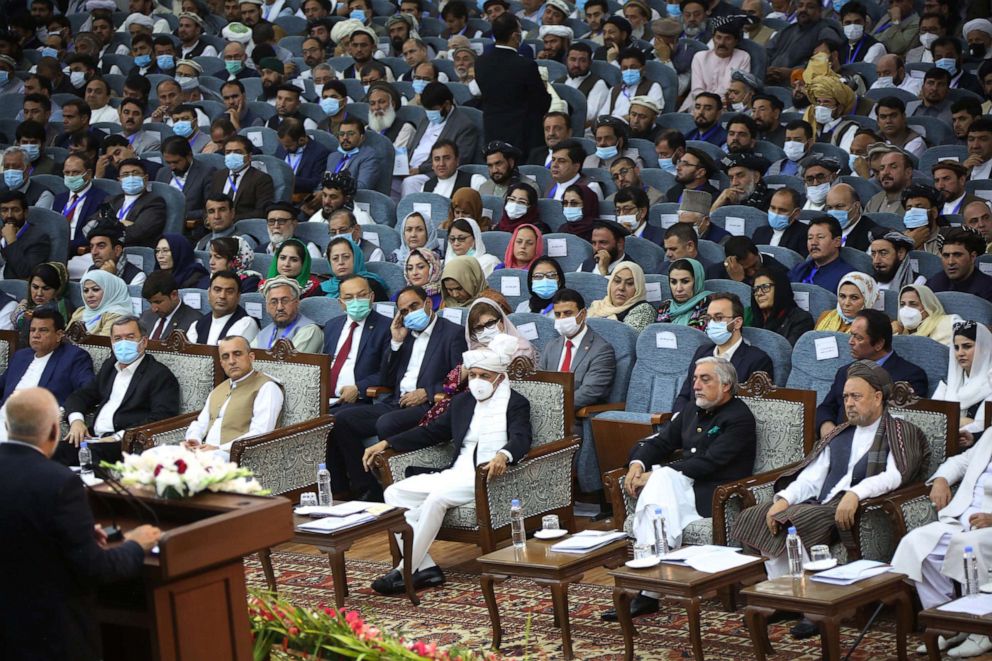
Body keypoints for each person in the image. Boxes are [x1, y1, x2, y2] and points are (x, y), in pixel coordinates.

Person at [733, 360, 929, 640]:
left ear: (878, 397)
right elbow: (812, 477)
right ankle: (785, 596)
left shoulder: (900, 430)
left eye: (856, 397)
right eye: (846, 397)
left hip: (858, 508)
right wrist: (784, 498)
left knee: (794, 521)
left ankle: (813, 610)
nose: (849, 403)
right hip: (823, 503)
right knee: (759, 515)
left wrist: (855, 493)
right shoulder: (840, 432)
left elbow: (896, 476)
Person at [0, 387, 160, 661]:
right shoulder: (60, 483)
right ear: (54, 431)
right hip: (47, 637)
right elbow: (94, 568)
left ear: (7, 425)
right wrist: (135, 545)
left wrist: (78, 536)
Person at [367, 334, 532, 594]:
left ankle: (404, 570)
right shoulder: (462, 402)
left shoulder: (516, 402)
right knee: (393, 493)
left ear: (499, 377)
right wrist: (387, 443)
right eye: (473, 374)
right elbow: (431, 432)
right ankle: (427, 567)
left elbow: (521, 438)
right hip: (456, 472)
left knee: (436, 499)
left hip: (486, 475)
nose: (477, 381)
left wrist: (503, 454)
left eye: (484, 376)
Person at [601, 357, 756, 621]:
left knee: (661, 481)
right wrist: (637, 465)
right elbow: (661, 442)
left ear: (726, 385)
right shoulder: (690, 410)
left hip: (714, 492)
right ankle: (654, 580)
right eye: (695, 379)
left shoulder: (739, 417)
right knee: (661, 484)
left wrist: (657, 474)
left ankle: (649, 587)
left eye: (705, 379)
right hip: (682, 485)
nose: (696, 385)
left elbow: (710, 463)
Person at [326, 285, 467, 500]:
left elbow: (459, 377)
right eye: (404, 311)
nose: (410, 314)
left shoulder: (452, 333)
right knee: (340, 419)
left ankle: (391, 482)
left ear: (428, 304)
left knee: (387, 423)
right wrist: (395, 343)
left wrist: (428, 393)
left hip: (429, 405)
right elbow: (386, 379)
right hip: (396, 401)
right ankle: (365, 487)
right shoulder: (405, 334)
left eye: (414, 306)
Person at [890, 425, 992, 658]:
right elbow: (962, 461)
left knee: (969, 547)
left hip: (988, 526)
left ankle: (982, 630)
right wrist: (942, 479)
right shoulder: (990, 435)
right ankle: (948, 623)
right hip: (964, 518)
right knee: (917, 543)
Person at [60, 315, 182, 466]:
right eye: (117, 338)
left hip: (124, 444)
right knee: (50, 451)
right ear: (111, 343)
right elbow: (81, 395)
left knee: (88, 458)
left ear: (143, 342)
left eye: (130, 337)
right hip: (93, 437)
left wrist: (120, 437)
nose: (123, 343)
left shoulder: (159, 375)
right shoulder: (110, 366)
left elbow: (162, 417)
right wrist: (77, 421)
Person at [815, 309, 929, 437]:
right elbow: (825, 408)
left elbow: (904, 424)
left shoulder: (911, 376)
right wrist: (826, 426)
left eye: (858, 338)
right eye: (851, 335)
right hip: (838, 444)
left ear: (879, 344)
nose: (850, 342)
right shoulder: (844, 372)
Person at [183, 334, 284, 461]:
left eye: (237, 354)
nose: (231, 361)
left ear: (251, 357)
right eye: (225, 357)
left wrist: (218, 448)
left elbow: (261, 433)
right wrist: (194, 440)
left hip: (238, 457)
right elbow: (201, 423)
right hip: (207, 452)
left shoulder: (267, 387)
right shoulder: (219, 389)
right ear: (221, 363)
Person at [538, 287, 615, 430]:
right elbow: (539, 383)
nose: (561, 319)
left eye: (567, 313)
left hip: (574, 420)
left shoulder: (601, 349)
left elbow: (590, 392)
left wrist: (553, 408)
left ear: (583, 314)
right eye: (557, 314)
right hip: (542, 417)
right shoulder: (551, 346)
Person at [475, 14, 551, 155]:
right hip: (522, 136)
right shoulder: (526, 65)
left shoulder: (480, 62)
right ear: (515, 36)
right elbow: (543, 103)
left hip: (492, 131)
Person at [0, 309, 94, 409]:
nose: (35, 335)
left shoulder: (74, 357)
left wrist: (67, 411)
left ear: (59, 335)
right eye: (32, 330)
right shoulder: (21, 356)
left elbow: (88, 390)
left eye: (43, 330)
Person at [322, 274, 392, 407]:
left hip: (356, 400)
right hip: (324, 398)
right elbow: (325, 363)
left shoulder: (386, 327)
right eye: (348, 297)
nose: (355, 301)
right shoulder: (331, 326)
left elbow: (387, 372)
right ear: (341, 303)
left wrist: (358, 388)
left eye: (361, 295)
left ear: (371, 297)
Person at [208, 136, 275, 220]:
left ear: (249, 156)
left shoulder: (261, 179)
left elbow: (261, 211)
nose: (232, 155)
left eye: (238, 152)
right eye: (228, 152)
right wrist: (207, 220)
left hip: (244, 228)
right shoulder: (217, 176)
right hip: (216, 227)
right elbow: (207, 204)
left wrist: (228, 220)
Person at [252, 277, 324, 354]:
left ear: (297, 303)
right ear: (267, 307)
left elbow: (292, 364)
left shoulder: (310, 330)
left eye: (285, 301)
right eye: (274, 302)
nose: (280, 307)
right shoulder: (264, 333)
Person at [187, 270, 261, 345]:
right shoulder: (197, 325)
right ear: (209, 293)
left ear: (238, 296)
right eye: (217, 290)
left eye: (229, 291)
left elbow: (227, 353)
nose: (222, 296)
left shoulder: (247, 323)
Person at [788, 215, 856, 293]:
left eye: (820, 237)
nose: (813, 243)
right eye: (810, 238)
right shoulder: (798, 269)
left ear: (837, 242)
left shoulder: (848, 277)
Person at [751, 268, 814, 346]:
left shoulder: (801, 319)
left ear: (780, 288)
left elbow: (786, 354)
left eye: (765, 287)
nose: (759, 293)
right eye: (756, 289)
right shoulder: (753, 319)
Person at [588, 261, 656, 333]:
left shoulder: (644, 310)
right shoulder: (599, 305)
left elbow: (625, 339)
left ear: (638, 287)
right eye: (617, 281)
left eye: (629, 283)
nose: (621, 288)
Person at [11, 262, 72, 344]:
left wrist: (22, 309)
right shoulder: (27, 305)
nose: (39, 293)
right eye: (35, 287)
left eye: (46, 288)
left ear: (57, 289)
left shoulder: (60, 306)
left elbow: (24, 321)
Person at [927, 228, 992, 302]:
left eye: (957, 255)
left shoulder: (988, 289)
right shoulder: (933, 285)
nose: (950, 262)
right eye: (946, 255)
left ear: (972, 257)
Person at [138, 271, 204, 340]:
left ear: (174, 295)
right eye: (150, 303)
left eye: (158, 302)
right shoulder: (146, 317)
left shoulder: (194, 322)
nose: (154, 309)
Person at [321, 237, 389, 302]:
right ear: (329, 262)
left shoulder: (371, 285)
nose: (341, 262)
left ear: (357, 258)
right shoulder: (323, 288)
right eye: (335, 258)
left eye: (346, 257)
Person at [324, 117, 383, 192]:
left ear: (362, 138)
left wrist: (335, 192)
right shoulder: (333, 156)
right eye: (341, 134)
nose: (345, 138)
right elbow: (324, 182)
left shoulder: (369, 156)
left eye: (350, 134)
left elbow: (363, 186)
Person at [0, 191, 49, 280]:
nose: (9, 215)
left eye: (15, 210)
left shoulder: (39, 238)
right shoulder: (1, 231)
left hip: (13, 288)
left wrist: (11, 240)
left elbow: (25, 273)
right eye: (4, 210)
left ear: (25, 212)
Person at [892, 284, 960, 348]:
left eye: (913, 304)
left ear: (928, 305)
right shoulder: (900, 331)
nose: (906, 309)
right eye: (902, 304)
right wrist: (892, 334)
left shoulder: (950, 322)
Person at [68, 270, 132, 337]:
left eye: (95, 289)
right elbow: (65, 339)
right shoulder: (80, 312)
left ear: (109, 290)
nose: (89, 295)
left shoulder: (117, 315)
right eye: (85, 290)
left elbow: (102, 344)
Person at [656, 258, 712, 328]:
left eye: (685, 281)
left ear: (697, 281)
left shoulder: (710, 305)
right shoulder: (665, 306)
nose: (679, 289)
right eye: (673, 282)